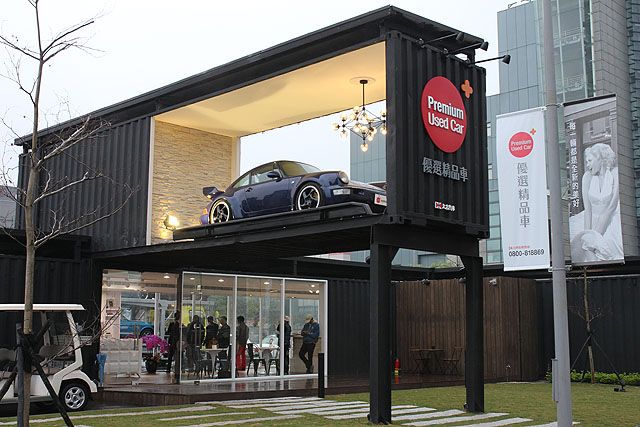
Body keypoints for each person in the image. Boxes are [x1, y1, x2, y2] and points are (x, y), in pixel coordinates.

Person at [573, 143, 624, 262]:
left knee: (608, 244)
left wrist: (595, 235)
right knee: (582, 244)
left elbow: (612, 206)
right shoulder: (587, 177)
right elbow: (588, 210)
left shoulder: (615, 173)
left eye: (590, 160)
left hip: (611, 219)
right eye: (586, 161)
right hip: (591, 219)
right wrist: (588, 234)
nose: (588, 164)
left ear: (600, 159)